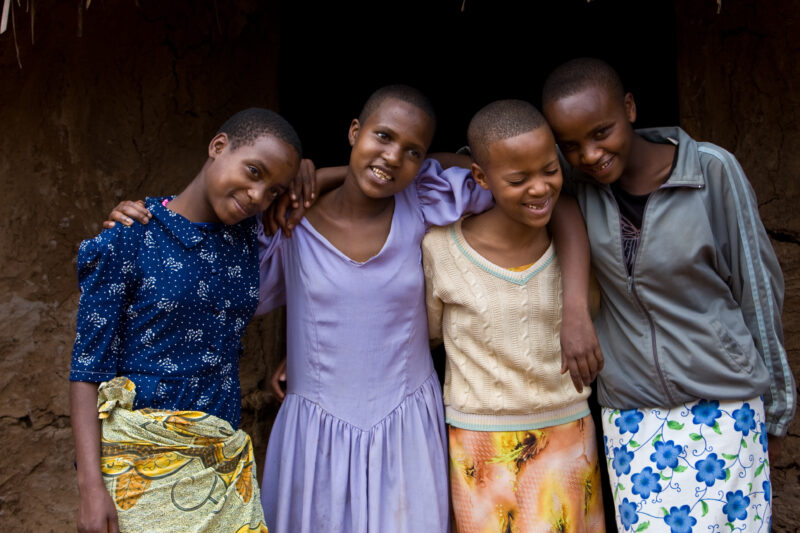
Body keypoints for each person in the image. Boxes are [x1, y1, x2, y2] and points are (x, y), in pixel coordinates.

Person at [108, 85, 597, 532]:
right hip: (314, 435)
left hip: (408, 428)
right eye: (382, 137)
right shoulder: (288, 224)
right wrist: (144, 220)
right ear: (354, 131)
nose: (392, 157)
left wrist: (327, 171)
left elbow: (497, 171)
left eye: (413, 152)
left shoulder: (422, 206)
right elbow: (208, 234)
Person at [540, 57, 796, 532]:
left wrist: (777, 409)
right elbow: (492, 159)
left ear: (630, 108)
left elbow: (757, 288)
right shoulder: (571, 184)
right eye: (570, 145)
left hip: (725, 406)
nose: (590, 155)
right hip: (632, 418)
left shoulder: (711, 171)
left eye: (601, 132)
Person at [70, 108, 303, 533]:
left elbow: (354, 188)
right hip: (140, 470)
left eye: (272, 191)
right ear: (218, 147)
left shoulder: (250, 238)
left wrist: (307, 174)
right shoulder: (128, 237)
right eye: (253, 171)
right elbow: (87, 371)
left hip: (219, 465)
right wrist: (90, 488)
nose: (257, 195)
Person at [422, 99, 606, 532]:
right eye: (519, 179)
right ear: (482, 178)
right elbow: (428, 336)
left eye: (549, 170)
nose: (540, 188)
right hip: (479, 445)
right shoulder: (441, 250)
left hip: (569, 435)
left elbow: (593, 314)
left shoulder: (573, 248)